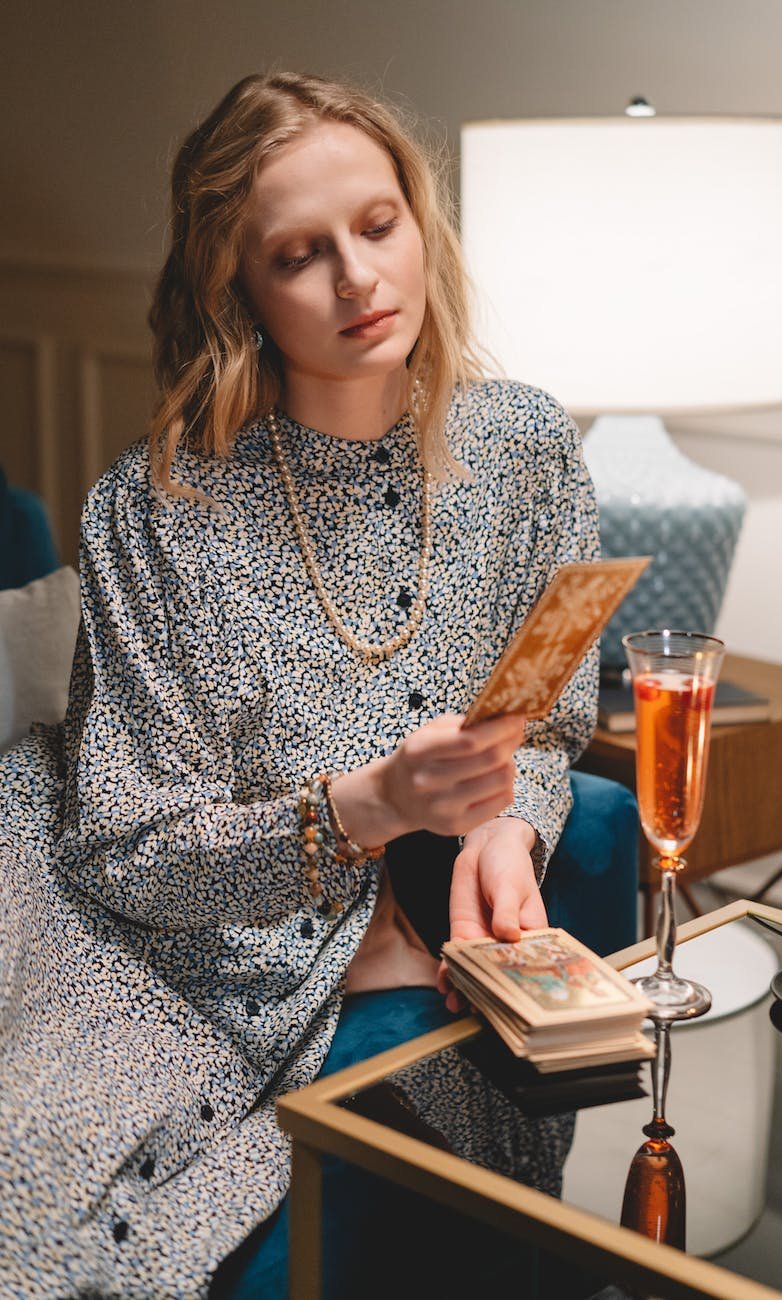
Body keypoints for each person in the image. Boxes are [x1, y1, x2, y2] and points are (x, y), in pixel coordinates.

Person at [0, 71, 600, 1298]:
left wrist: (509, 820)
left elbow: (547, 712)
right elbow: (124, 852)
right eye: (299, 255)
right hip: (150, 954)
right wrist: (367, 806)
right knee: (49, 1211)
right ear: (238, 292)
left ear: (417, 225)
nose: (358, 281)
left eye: (377, 228)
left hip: (423, 944)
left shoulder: (527, 447)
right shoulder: (156, 510)